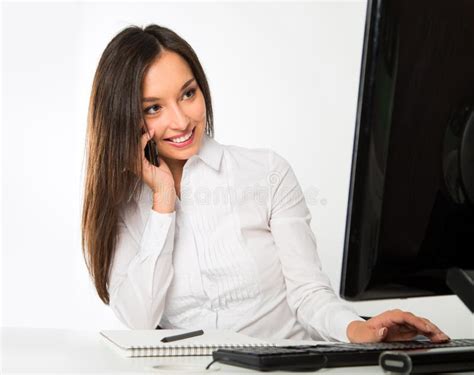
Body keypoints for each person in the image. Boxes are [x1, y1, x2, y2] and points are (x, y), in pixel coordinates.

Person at [81, 24, 450, 343]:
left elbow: (308, 294)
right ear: (124, 117)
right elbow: (141, 321)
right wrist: (162, 200)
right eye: (153, 108)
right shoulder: (124, 205)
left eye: (188, 93)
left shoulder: (266, 173)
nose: (181, 120)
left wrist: (361, 329)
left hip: (285, 364)